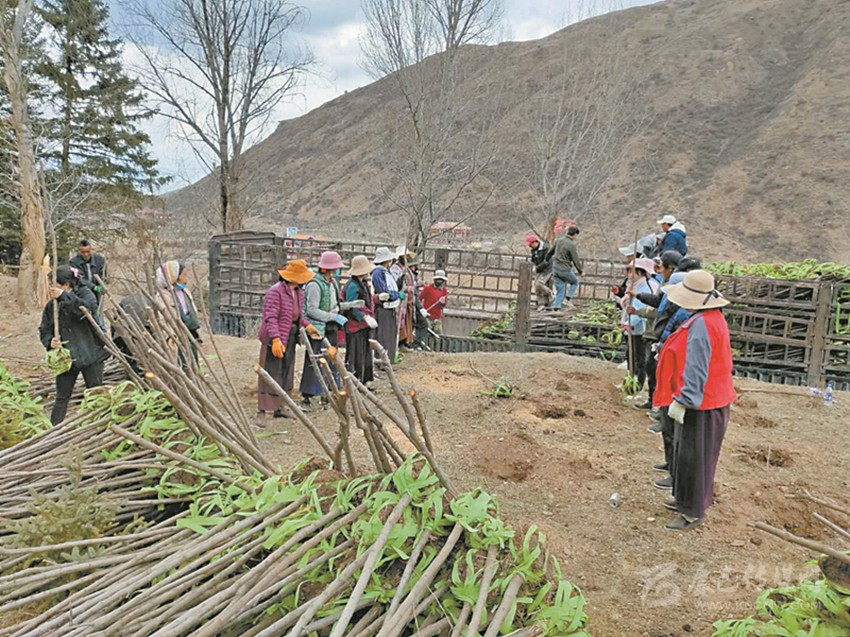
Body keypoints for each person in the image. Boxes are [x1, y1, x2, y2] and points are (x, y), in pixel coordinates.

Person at [654, 270, 736, 531]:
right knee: (689, 455)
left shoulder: (702, 324)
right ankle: (685, 501)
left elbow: (697, 367)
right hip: (706, 399)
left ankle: (692, 512)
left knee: (694, 458)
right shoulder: (709, 318)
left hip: (701, 403)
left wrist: (685, 399)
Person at [38, 265, 108, 424]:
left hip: (90, 355)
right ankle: (54, 430)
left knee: (96, 394)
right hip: (66, 359)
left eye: (54, 284)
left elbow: (86, 310)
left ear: (66, 284)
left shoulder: (85, 294)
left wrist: (64, 296)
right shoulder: (52, 305)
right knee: (62, 398)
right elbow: (44, 329)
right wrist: (50, 341)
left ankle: (99, 426)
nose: (51, 288)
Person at [257, 259, 318, 421]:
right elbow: (270, 317)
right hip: (274, 336)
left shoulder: (297, 291)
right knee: (270, 371)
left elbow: (295, 315)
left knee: (286, 371)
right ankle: (262, 411)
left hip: (290, 335)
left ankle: (280, 407)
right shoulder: (275, 292)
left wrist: (306, 325)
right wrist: (276, 339)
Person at [299, 251, 349, 412]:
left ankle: (328, 392)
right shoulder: (315, 284)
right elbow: (312, 310)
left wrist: (339, 311)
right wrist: (332, 316)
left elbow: (334, 303)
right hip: (317, 327)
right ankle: (308, 396)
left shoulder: (332, 282)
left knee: (331, 359)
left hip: (330, 326)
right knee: (314, 361)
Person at [621, 258, 659, 395]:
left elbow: (640, 308)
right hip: (630, 327)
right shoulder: (632, 285)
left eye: (632, 271)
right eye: (628, 271)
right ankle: (629, 382)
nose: (629, 274)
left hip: (638, 329)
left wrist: (628, 324)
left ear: (641, 272)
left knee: (639, 359)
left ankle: (636, 386)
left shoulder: (645, 288)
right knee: (630, 357)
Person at [156, 261, 201, 364]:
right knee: (180, 362)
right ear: (174, 277)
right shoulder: (163, 297)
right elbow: (161, 320)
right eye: (183, 275)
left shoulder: (185, 292)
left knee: (192, 361)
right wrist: (169, 336)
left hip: (190, 334)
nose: (186, 280)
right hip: (175, 337)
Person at [343, 255, 378, 385]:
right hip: (354, 325)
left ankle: (364, 379)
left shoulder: (363, 283)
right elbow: (351, 306)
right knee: (355, 354)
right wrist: (363, 316)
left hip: (362, 325)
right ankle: (354, 381)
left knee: (364, 352)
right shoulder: (352, 286)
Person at [371, 247, 402, 365]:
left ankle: (388, 361)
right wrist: (396, 295)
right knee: (383, 336)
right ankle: (382, 362)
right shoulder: (378, 273)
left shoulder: (385, 272)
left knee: (389, 336)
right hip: (383, 308)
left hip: (389, 308)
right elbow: (384, 291)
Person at [551, 226, 583, 310]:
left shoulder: (558, 241)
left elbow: (550, 252)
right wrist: (580, 271)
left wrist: (546, 260)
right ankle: (568, 298)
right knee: (575, 282)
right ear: (574, 234)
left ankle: (556, 307)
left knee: (560, 289)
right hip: (564, 269)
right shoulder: (571, 244)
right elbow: (575, 259)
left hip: (555, 269)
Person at [69, 239, 107, 305]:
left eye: (88, 251)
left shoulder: (99, 260)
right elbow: (79, 279)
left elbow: (104, 275)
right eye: (83, 252)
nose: (86, 254)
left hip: (97, 292)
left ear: (91, 250)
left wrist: (102, 285)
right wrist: (93, 287)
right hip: (82, 291)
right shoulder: (73, 263)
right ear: (79, 251)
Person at [526, 235, 554, 308]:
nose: (530, 246)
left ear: (535, 242)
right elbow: (533, 260)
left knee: (539, 283)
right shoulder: (534, 250)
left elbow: (546, 261)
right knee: (536, 287)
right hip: (539, 270)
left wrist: (537, 268)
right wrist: (533, 266)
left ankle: (551, 293)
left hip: (547, 270)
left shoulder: (546, 248)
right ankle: (541, 304)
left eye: (531, 244)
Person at [419, 270, 449, 335]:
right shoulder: (428, 288)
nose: (439, 281)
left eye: (441, 280)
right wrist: (421, 309)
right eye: (438, 279)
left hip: (437, 318)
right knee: (427, 335)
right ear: (435, 279)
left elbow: (443, 305)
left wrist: (442, 302)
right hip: (427, 317)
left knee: (439, 336)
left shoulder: (444, 291)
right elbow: (419, 299)